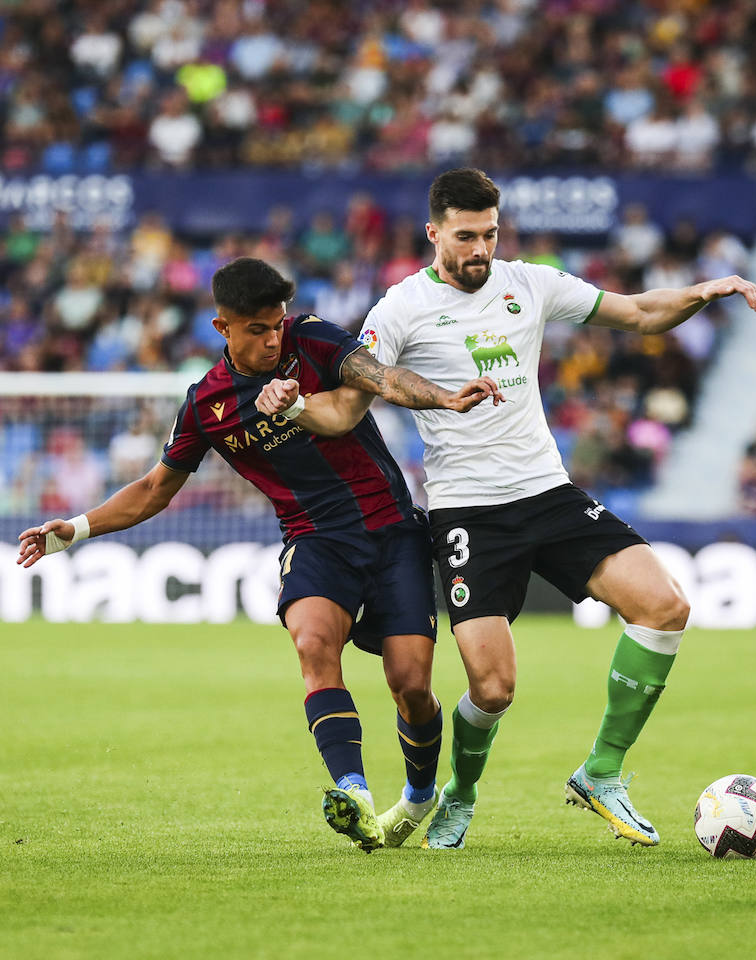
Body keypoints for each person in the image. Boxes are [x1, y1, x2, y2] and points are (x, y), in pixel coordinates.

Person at [256, 167, 756, 850]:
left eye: (490, 234)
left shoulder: (530, 282)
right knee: (492, 690)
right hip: (468, 514)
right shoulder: (399, 311)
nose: (480, 250)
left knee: (665, 606)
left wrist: (703, 292)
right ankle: (459, 794)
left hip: (548, 493)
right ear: (434, 232)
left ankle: (602, 772)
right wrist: (293, 403)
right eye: (466, 236)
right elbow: (346, 410)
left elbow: (640, 313)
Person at [17, 257, 503, 852]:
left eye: (276, 325)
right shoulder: (206, 405)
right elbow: (152, 490)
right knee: (312, 644)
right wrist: (76, 529)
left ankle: (422, 793)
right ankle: (353, 791)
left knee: (410, 685)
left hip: (393, 530)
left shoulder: (313, 338)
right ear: (223, 328)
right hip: (315, 539)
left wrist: (445, 399)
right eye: (257, 329)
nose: (273, 338)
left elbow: (380, 375)